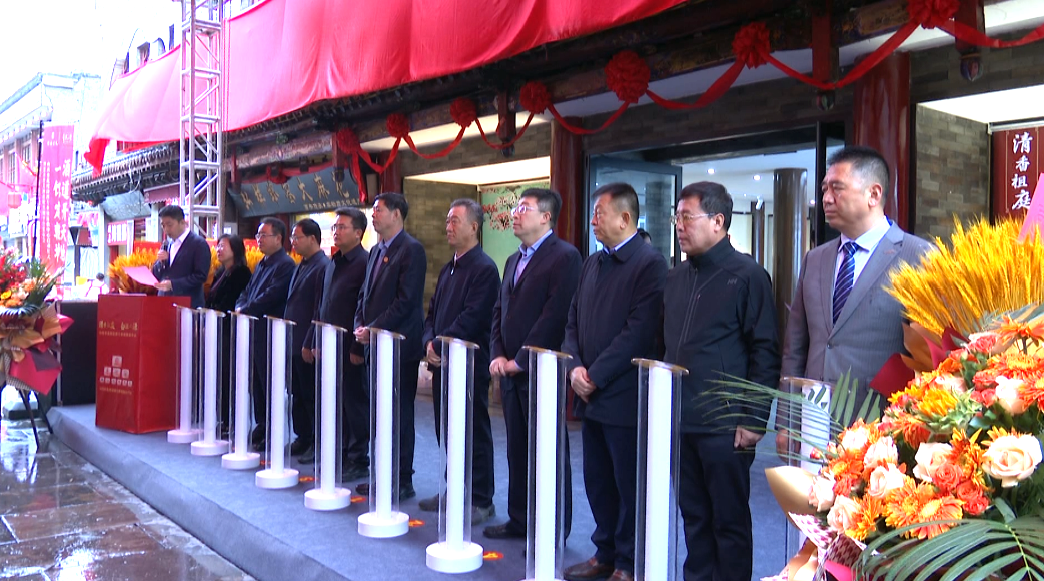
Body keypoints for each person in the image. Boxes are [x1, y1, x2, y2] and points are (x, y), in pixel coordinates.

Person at [776, 146, 932, 459]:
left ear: (873, 194)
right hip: (813, 425)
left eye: (837, 188)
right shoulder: (815, 259)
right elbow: (796, 347)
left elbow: (930, 355)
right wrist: (787, 420)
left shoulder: (918, 256)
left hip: (881, 431)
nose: (826, 198)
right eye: (824, 189)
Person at [661, 181, 780, 581]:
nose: (679, 225)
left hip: (726, 425)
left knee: (728, 521)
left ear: (717, 221)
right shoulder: (675, 277)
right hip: (681, 418)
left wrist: (754, 419)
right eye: (676, 217)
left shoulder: (747, 275)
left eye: (687, 217)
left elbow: (765, 350)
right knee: (693, 516)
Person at [561, 183, 667, 581]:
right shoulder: (593, 262)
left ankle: (628, 561)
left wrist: (595, 374)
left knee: (628, 485)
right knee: (598, 480)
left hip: (624, 395)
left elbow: (639, 332)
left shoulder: (649, 263)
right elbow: (572, 320)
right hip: (590, 394)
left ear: (625, 218)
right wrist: (575, 367)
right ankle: (604, 551)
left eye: (599, 213)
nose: (593, 221)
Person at [484, 187, 581, 541]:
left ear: (546, 217)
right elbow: (500, 310)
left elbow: (555, 316)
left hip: (542, 369)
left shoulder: (565, 257)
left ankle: (552, 530)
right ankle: (520, 519)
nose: (515, 214)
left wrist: (521, 360)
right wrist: (498, 353)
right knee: (517, 448)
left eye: (524, 208)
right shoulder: (513, 259)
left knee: (547, 452)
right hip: (509, 371)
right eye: (516, 208)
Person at [418, 198, 500, 525]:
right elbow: (432, 313)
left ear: (474, 227)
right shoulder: (448, 267)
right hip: (443, 363)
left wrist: (439, 342)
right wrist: (428, 340)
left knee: (473, 432)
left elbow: (473, 317)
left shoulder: (484, 269)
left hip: (469, 365)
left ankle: (481, 499)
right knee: (447, 430)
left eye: (455, 221)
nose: (448, 227)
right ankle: (454, 488)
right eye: (447, 221)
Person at [353, 192, 426, 500]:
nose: (373, 215)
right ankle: (381, 474)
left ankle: (401, 479)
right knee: (378, 412)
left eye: (379, 210)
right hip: (374, 344)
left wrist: (374, 328)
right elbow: (364, 295)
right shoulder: (375, 250)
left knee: (399, 414)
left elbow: (406, 301)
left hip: (398, 348)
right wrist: (361, 323)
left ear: (397, 214)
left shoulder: (411, 250)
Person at [306, 207, 370, 482]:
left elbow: (364, 307)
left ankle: (358, 458)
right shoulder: (333, 262)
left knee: (355, 403)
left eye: (342, 227)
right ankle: (341, 453)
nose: (336, 231)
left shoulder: (365, 263)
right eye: (334, 227)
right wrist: (315, 339)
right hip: (329, 343)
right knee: (336, 401)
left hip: (350, 345)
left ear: (358, 233)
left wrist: (358, 346)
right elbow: (321, 305)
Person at [235, 217, 295, 450]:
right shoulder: (262, 263)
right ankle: (261, 424)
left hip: (271, 332)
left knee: (270, 382)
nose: (258, 239)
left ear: (278, 238)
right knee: (257, 383)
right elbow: (247, 291)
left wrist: (247, 309)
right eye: (257, 235)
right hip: (254, 330)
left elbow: (272, 295)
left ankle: (273, 429)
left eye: (263, 235)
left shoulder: (285, 265)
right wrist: (241, 305)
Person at [283, 219, 330, 463]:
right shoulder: (301, 264)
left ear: (312, 239)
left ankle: (316, 440)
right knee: (297, 394)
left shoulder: (323, 266)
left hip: (307, 341)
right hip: (293, 338)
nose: (293, 242)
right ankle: (302, 436)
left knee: (312, 395)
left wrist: (311, 340)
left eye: (297, 237)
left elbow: (318, 308)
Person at [206, 233, 252, 433]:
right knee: (219, 375)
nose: (219, 249)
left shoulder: (241, 273)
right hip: (216, 328)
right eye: (217, 246)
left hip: (230, 330)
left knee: (230, 375)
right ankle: (222, 417)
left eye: (223, 245)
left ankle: (232, 419)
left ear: (236, 249)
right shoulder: (220, 272)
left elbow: (233, 300)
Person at [151, 205, 211, 308]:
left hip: (187, 305)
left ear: (182, 223)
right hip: (164, 303)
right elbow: (157, 275)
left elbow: (200, 276)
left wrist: (173, 284)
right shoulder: (167, 244)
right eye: (163, 225)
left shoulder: (198, 244)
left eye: (169, 225)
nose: (166, 229)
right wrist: (160, 262)